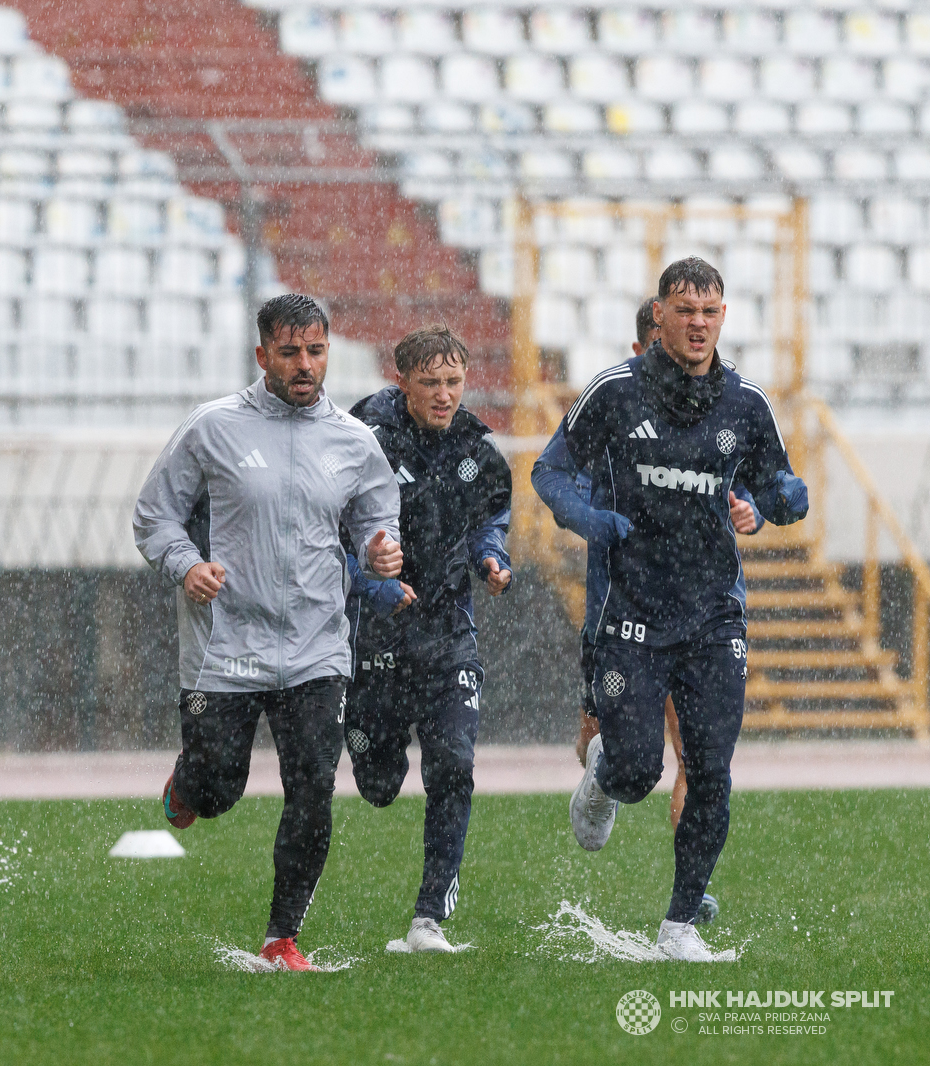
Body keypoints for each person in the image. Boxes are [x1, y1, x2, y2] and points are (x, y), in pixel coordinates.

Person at [533, 258, 807, 961]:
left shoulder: (745, 404)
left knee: (711, 766)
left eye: (710, 311)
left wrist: (781, 499)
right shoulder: (617, 392)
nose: (698, 323)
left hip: (714, 612)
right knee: (636, 769)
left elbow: (775, 485)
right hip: (632, 607)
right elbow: (550, 468)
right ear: (659, 315)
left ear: (723, 317)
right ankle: (602, 780)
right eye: (685, 310)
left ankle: (680, 924)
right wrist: (584, 516)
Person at [133, 294, 404, 972]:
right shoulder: (213, 427)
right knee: (219, 789)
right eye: (290, 352)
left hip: (316, 647)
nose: (305, 364)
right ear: (262, 356)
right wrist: (187, 564)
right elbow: (153, 517)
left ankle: (282, 938)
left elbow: (379, 516)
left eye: (315, 351)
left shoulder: (352, 438)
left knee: (313, 788)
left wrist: (382, 550)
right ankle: (189, 786)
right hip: (227, 644)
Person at [569, 297, 765, 926]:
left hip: (701, 612)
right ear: (643, 348)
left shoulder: (715, 417)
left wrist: (751, 506)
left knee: (701, 757)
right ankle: (608, 777)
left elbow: (757, 486)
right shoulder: (616, 420)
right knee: (623, 755)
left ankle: (690, 892)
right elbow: (566, 485)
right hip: (621, 612)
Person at [339, 325, 512, 954]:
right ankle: (365, 741)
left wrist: (492, 557)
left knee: (456, 767)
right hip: (376, 639)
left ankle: (428, 918)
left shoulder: (479, 448)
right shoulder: (364, 437)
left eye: (454, 382)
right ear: (402, 379)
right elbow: (328, 529)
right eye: (431, 383)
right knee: (380, 787)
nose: (445, 395)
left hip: (448, 635)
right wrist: (371, 580)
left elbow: (492, 515)